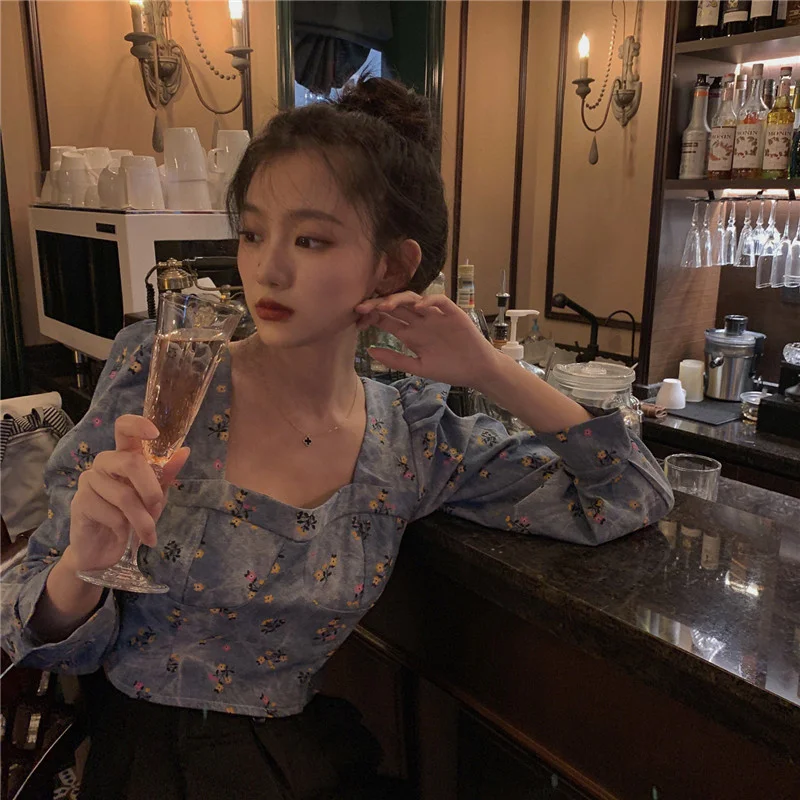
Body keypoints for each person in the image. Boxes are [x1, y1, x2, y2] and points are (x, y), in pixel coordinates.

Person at [1, 77, 673, 798]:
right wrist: (83, 565)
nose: (268, 268)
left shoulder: (409, 438)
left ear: (391, 266)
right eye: (252, 233)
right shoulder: (168, 375)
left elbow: (629, 493)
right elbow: (25, 621)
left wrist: (493, 369)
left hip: (288, 761)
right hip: (144, 765)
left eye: (310, 239)